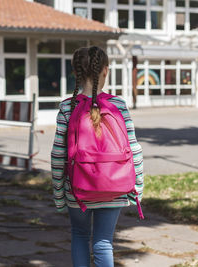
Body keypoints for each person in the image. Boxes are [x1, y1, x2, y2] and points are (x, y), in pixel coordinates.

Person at [51, 46, 144, 267]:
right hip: (115, 185)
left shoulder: (67, 107)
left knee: (80, 236)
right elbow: (135, 150)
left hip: (78, 189)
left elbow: (57, 155)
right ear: (105, 71)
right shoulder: (118, 105)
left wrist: (58, 194)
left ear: (75, 73)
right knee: (104, 243)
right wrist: (136, 187)